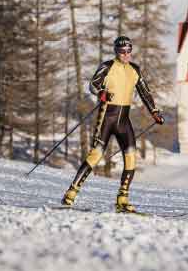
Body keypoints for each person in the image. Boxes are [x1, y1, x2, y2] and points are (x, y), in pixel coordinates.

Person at [61, 36, 165, 212]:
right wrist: (101, 93)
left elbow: (145, 93)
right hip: (107, 117)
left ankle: (122, 198)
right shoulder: (107, 66)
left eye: (128, 51)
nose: (125, 54)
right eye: (122, 51)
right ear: (116, 51)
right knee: (96, 155)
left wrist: (154, 112)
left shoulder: (135, 70)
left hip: (124, 119)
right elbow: (93, 85)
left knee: (131, 157)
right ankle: (71, 191)